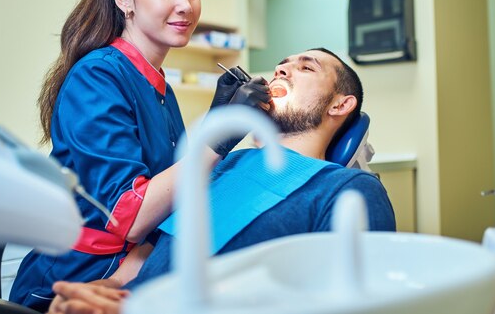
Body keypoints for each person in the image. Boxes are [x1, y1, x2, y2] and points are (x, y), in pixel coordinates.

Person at [9, 0, 269, 312]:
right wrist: (220, 135)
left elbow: (171, 189)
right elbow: (128, 215)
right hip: (77, 283)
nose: (185, 4)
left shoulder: (157, 84)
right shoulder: (98, 76)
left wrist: (215, 122)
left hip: (139, 268)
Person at [46, 48, 396, 314]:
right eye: (282, 65)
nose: (283, 69)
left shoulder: (348, 190)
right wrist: (96, 293)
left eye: (305, 68)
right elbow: (145, 257)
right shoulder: (222, 166)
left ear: (340, 104)